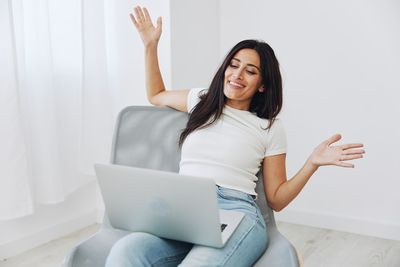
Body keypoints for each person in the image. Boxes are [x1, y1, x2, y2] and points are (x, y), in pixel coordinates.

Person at [105, 6, 366, 267]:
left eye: (250, 71)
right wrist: (150, 45)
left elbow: (276, 199)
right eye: (234, 65)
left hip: (237, 213)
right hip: (186, 211)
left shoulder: (269, 127)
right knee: (126, 251)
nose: (237, 75)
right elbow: (156, 95)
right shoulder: (201, 100)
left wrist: (311, 163)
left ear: (262, 85)